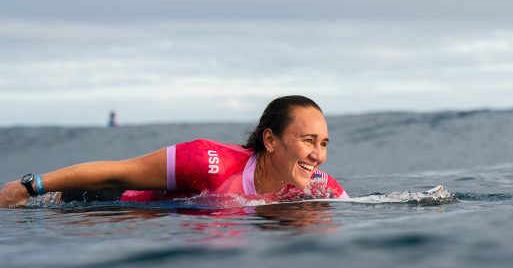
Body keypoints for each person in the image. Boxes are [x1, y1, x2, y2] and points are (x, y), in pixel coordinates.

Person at [0, 96, 348, 208]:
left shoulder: (320, 189)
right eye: (307, 140)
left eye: (324, 143)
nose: (318, 155)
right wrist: (28, 186)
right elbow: (117, 171)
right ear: (270, 141)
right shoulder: (207, 160)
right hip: (107, 208)